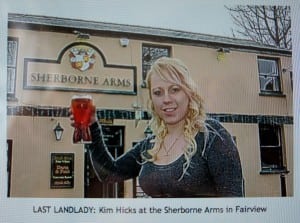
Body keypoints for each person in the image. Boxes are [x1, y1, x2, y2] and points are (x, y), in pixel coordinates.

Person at [70, 57, 244, 197]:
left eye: (175, 89)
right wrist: (91, 126)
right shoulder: (150, 145)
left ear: (189, 92)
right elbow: (109, 174)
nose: (166, 99)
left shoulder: (211, 136)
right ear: (152, 99)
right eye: (158, 92)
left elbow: (235, 203)